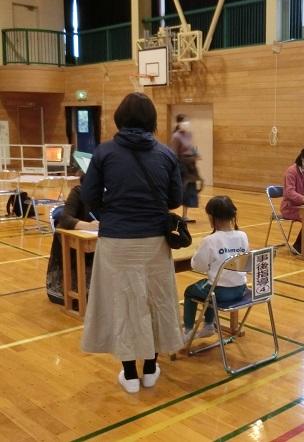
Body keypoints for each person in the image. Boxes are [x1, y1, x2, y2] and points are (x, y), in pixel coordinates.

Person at [80, 92, 184, 394]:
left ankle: (129, 374)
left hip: (116, 242)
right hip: (155, 241)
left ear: (120, 118)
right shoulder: (166, 154)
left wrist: (111, 214)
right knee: (156, 302)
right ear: (152, 119)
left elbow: (89, 196)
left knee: (123, 304)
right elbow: (175, 199)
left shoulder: (104, 152)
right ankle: (150, 368)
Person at [182, 196, 249, 341]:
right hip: (241, 289)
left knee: (192, 291)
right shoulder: (243, 236)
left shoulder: (210, 240)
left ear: (212, 217)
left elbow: (198, 266)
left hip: (220, 294)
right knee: (210, 285)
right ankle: (208, 325)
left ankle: (188, 330)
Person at [45, 173, 99, 305]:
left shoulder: (106, 195)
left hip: (93, 240)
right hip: (71, 242)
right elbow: (65, 219)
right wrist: (89, 226)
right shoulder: (77, 192)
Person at [170, 114, 202, 223]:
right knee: (181, 188)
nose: (186, 123)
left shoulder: (189, 134)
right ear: (179, 123)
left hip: (190, 165)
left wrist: (196, 154)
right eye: (184, 121)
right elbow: (174, 152)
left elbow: (191, 147)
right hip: (181, 165)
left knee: (189, 189)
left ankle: (185, 215)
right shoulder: (176, 136)